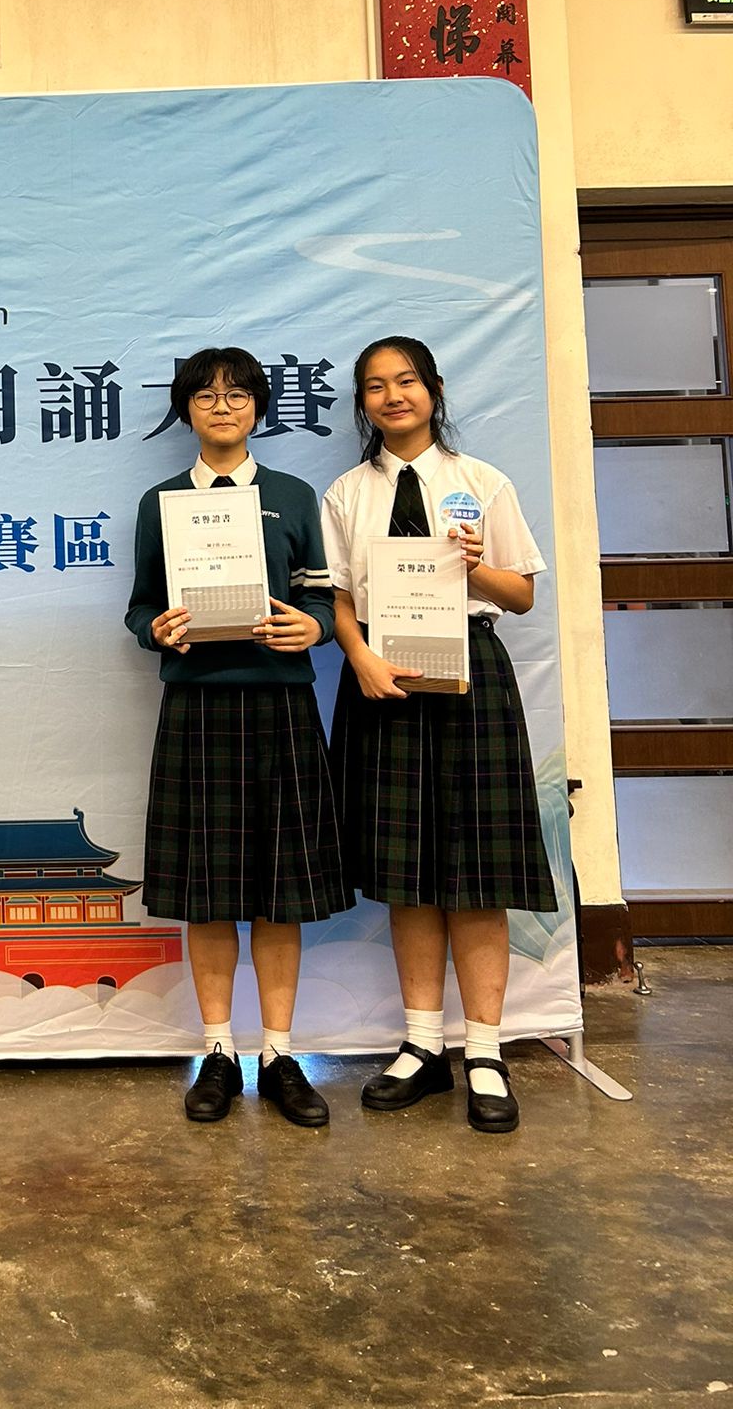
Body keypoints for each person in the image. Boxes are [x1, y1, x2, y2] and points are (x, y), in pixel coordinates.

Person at [321, 336, 556, 1135]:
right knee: (408, 871)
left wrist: (474, 565)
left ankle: (485, 1052)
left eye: (406, 381)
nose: (393, 396)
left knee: (477, 870)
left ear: (435, 389)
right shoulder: (347, 493)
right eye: (375, 386)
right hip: (383, 675)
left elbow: (520, 596)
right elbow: (339, 597)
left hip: (470, 673)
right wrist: (358, 657)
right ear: (363, 403)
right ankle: (422, 1044)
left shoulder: (481, 483)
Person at [126, 346, 347, 1128]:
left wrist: (312, 629)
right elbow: (139, 607)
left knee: (281, 890)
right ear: (186, 409)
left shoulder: (292, 496)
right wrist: (156, 630)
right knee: (209, 892)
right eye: (206, 395)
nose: (222, 407)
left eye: (238, 394)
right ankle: (217, 1050)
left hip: (281, 704)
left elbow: (323, 601)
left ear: (258, 408)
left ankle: (279, 1053)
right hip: (197, 706)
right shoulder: (160, 503)